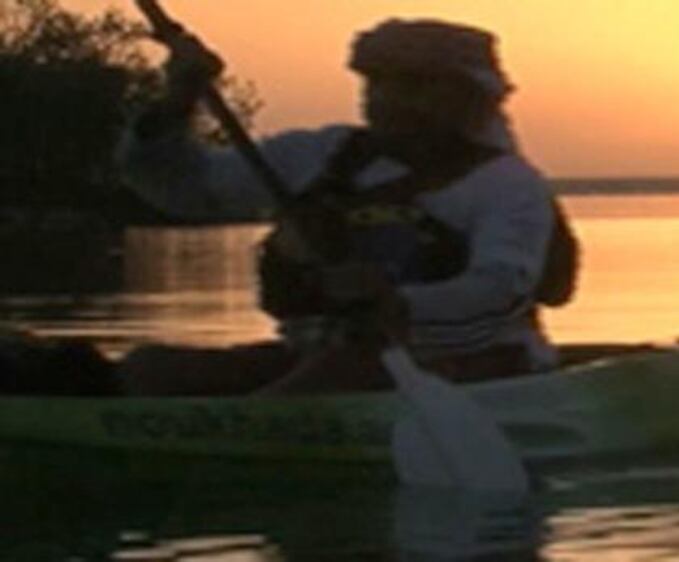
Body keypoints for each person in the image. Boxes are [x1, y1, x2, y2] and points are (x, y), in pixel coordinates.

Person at [116, 18, 578, 395]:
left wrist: (395, 302)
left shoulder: (508, 185)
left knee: (351, 371)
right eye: (376, 81)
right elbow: (182, 189)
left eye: (413, 84)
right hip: (317, 361)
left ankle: (248, 427)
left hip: (473, 371)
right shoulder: (315, 155)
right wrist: (179, 101)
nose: (384, 97)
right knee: (149, 369)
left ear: (468, 98)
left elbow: (500, 286)